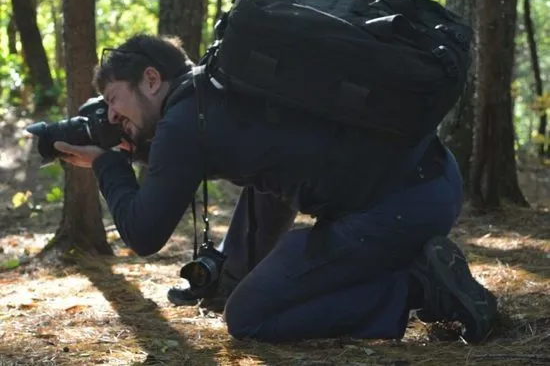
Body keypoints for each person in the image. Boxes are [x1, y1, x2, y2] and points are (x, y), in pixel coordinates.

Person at [54, 34, 497, 344]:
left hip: (397, 208)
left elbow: (144, 234)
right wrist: (232, 274)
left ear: (151, 80)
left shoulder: (185, 124)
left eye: (113, 99)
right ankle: (243, 279)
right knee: (262, 231)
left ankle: (419, 286)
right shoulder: (218, 90)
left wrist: (107, 163)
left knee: (250, 317)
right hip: (433, 176)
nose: (111, 117)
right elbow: (264, 175)